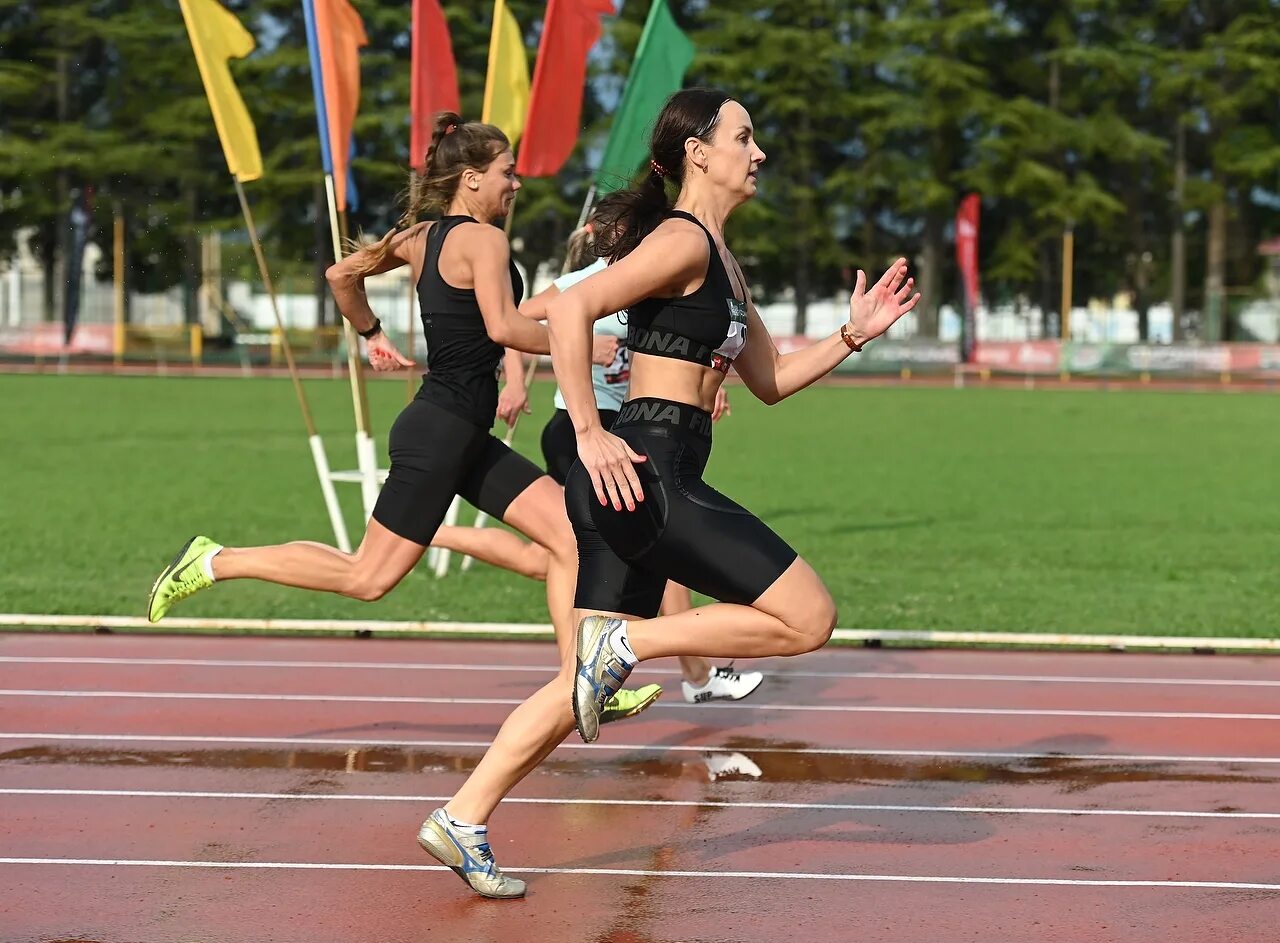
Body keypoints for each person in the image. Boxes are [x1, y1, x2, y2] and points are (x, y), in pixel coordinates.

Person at [414, 88, 919, 898]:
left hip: (654, 470)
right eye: (744, 138)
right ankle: (627, 648)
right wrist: (587, 430)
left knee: (579, 679)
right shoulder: (680, 240)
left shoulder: (719, 258)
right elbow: (575, 306)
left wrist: (854, 334)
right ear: (699, 152)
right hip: (647, 469)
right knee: (809, 617)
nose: (759, 154)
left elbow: (772, 381)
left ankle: (463, 816)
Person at [143, 111, 659, 721]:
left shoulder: (419, 237)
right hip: (441, 432)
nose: (515, 184)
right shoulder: (485, 240)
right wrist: (576, 339)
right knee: (367, 577)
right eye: (506, 173)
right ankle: (215, 559)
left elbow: (341, 275)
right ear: (471, 178)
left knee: (571, 536)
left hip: (461, 430)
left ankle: (582, 683)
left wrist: (371, 332)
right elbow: (504, 327)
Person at [429, 219, 764, 706]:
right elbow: (509, 319)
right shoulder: (584, 281)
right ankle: (685, 675)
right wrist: (526, 379)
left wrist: (707, 385)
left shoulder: (651, 280)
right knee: (654, 551)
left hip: (627, 430)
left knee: (546, 558)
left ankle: (427, 531)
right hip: (581, 436)